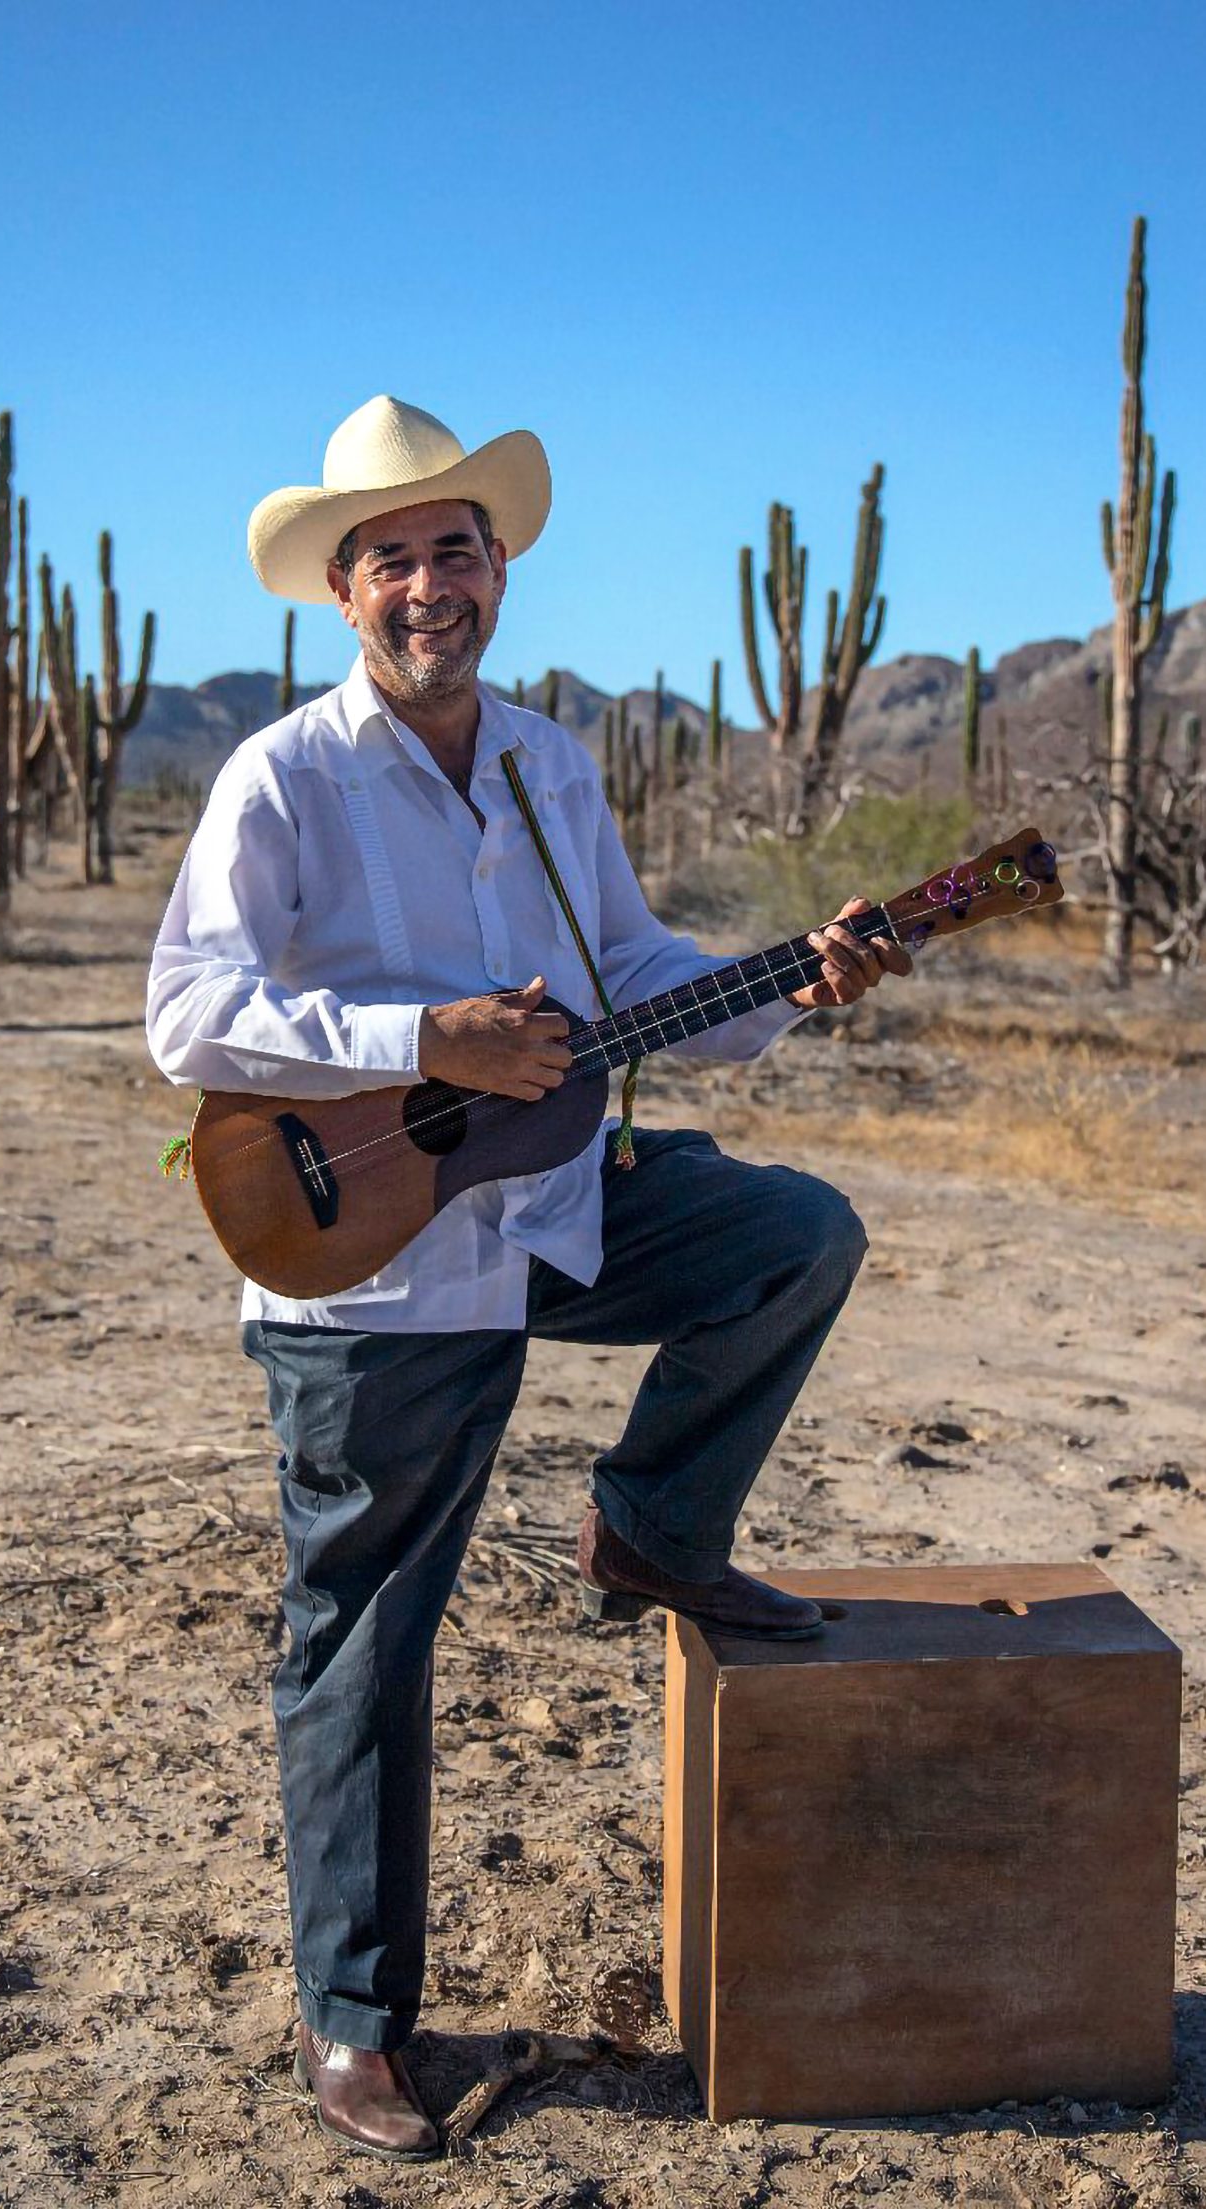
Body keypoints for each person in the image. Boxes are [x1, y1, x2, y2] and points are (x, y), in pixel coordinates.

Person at [146, 395, 912, 2162]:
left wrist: (798, 978)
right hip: (370, 1267)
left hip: (550, 1211)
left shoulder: (554, 767)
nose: (432, 583)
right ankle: (357, 2023)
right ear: (343, 589)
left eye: (457, 548)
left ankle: (650, 1520)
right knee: (368, 1642)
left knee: (792, 1236)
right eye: (394, 556)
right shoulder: (288, 775)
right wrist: (428, 1034)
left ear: (500, 567)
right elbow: (187, 1011)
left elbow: (630, 967)